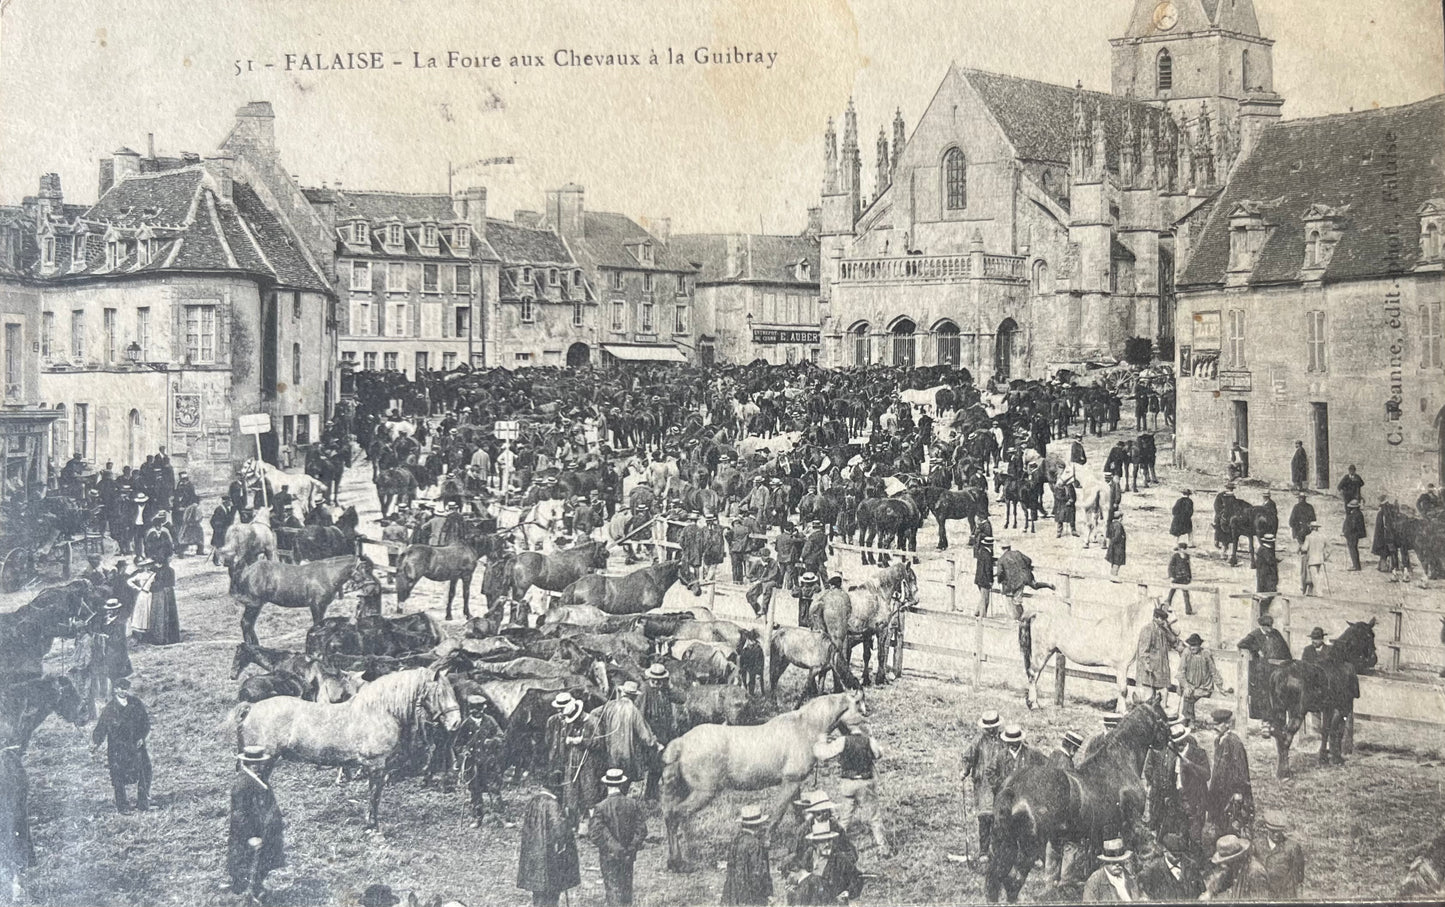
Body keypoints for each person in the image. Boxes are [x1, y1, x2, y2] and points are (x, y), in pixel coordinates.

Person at [817, 718, 891, 856]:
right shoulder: (868, 740)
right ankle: (883, 848)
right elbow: (878, 754)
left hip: (848, 784)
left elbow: (824, 755)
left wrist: (822, 740)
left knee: (844, 819)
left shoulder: (842, 741)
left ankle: (835, 848)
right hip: (865, 782)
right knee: (874, 817)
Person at [227, 746, 285, 900]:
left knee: (259, 863)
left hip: (260, 831)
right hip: (247, 835)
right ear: (245, 764)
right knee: (245, 863)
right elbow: (239, 814)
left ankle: (256, 889)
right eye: (254, 765)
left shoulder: (258, 780)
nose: (259, 768)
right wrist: (250, 836)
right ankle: (243, 894)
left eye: (260, 764)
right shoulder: (242, 784)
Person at [517, 772, 581, 907]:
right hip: (550, 859)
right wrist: (569, 821)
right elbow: (560, 830)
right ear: (556, 788)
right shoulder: (552, 804)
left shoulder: (533, 802)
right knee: (551, 895)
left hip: (533, 857)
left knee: (538, 895)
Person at [91, 679, 151, 812]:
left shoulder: (136, 703)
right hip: (117, 748)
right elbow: (101, 728)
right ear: (115, 689)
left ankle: (143, 803)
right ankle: (122, 806)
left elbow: (145, 722)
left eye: (126, 688)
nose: (123, 691)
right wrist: (96, 742)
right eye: (120, 688)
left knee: (145, 771)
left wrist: (142, 736)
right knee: (118, 776)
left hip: (136, 744)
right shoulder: (109, 708)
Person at [590, 769, 647, 907]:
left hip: (609, 856)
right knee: (626, 889)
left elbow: (595, 834)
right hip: (628, 856)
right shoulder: (632, 804)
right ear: (621, 784)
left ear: (606, 785)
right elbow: (642, 830)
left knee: (612, 889)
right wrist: (631, 848)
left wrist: (615, 848)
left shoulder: (600, 807)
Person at [594, 681, 658, 794]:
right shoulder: (634, 711)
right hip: (627, 754)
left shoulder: (610, 705)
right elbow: (646, 737)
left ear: (623, 692)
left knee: (611, 779)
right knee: (623, 783)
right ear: (634, 696)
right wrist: (655, 743)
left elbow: (594, 714)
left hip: (610, 753)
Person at [960, 710, 1007, 862]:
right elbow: (968, 757)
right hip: (983, 785)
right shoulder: (979, 741)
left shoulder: (1003, 740)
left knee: (999, 817)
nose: (991, 729)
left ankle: (998, 849)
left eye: (993, 726)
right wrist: (965, 771)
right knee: (985, 817)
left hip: (1000, 784)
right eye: (989, 727)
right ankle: (984, 851)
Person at [787, 820, 864, 905]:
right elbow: (800, 877)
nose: (827, 844)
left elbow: (857, 878)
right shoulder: (808, 857)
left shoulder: (840, 859)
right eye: (823, 841)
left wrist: (848, 892)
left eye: (829, 840)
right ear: (815, 844)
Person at [1238, 614, 1290, 726]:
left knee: (1279, 694)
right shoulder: (1254, 635)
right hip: (1261, 671)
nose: (1270, 628)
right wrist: (1256, 650)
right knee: (1264, 695)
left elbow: (1285, 648)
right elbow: (1241, 644)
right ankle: (1265, 721)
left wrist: (1288, 662)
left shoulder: (1275, 633)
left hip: (1276, 668)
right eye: (1267, 626)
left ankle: (1279, 722)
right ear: (1262, 626)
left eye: (1271, 626)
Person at [1206, 709, 1253, 832]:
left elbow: (1241, 769)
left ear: (1227, 724)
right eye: (1214, 725)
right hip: (1219, 789)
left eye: (1218, 725)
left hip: (1231, 790)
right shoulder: (1219, 740)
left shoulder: (1234, 742)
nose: (1215, 728)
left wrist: (1239, 792)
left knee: (1232, 822)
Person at [1172, 723, 1212, 852]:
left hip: (1196, 801)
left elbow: (1206, 775)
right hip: (1179, 800)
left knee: (1195, 838)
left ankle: (1197, 864)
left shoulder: (1199, 753)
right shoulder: (1173, 755)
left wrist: (1191, 765)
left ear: (1185, 740)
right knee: (1181, 836)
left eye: (1179, 743)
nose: (1177, 746)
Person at [722, 805, 774, 906]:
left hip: (733, 891)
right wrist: (766, 894)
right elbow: (757, 872)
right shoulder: (754, 843)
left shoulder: (736, 839)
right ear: (757, 825)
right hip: (750, 894)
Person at [1178, 634, 1230, 727]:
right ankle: (1188, 719)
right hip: (1190, 686)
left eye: (1195, 645)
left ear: (1199, 645)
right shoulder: (1186, 653)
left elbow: (1213, 671)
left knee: (1189, 696)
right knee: (1188, 693)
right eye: (1191, 645)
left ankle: (1189, 719)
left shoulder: (1205, 654)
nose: (1193, 647)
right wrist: (1186, 686)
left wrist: (1220, 686)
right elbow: (1181, 672)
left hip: (1204, 687)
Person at [1135, 606, 1182, 704]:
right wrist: (1147, 665)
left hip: (1161, 669)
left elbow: (1173, 640)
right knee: (1149, 697)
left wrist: (1166, 628)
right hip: (1150, 671)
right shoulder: (1147, 629)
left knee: (1162, 695)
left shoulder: (1162, 630)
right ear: (1155, 618)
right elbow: (1143, 651)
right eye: (1161, 619)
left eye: (1164, 619)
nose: (1163, 621)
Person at [997, 541, 1054, 619]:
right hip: (1025, 577)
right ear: (1009, 548)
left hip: (1012, 582)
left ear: (1002, 549)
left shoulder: (1001, 559)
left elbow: (1000, 573)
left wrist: (999, 580)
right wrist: (1024, 568)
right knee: (1034, 586)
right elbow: (1029, 560)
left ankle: (1020, 617)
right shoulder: (1017, 553)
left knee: (1015, 601)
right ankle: (1047, 584)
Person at [1201, 834, 1270, 899]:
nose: (1223, 865)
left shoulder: (1255, 873)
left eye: (1225, 862)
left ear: (1235, 860)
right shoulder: (1236, 869)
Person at [1256, 811, 1305, 899]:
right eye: (1273, 831)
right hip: (1262, 896)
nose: (1276, 834)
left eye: (1279, 831)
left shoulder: (1292, 847)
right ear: (1267, 829)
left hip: (1284, 896)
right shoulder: (1257, 845)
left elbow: (1298, 876)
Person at [745, 544, 782, 619]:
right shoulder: (757, 563)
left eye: (767, 556)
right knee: (750, 594)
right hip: (760, 582)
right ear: (760, 556)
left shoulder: (773, 562)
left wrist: (762, 580)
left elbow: (773, 575)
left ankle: (763, 609)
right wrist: (755, 579)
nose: (766, 558)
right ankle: (757, 610)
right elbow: (749, 575)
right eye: (764, 556)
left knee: (767, 588)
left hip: (772, 581)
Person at [1165, 543, 1193, 614]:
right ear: (1180, 549)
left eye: (1185, 549)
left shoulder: (1187, 556)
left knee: (1186, 593)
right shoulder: (1175, 556)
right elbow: (1171, 566)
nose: (1185, 550)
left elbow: (1188, 567)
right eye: (1184, 549)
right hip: (1176, 577)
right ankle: (1167, 607)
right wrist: (1171, 576)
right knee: (1172, 592)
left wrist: (1189, 576)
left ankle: (1188, 610)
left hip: (1184, 578)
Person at [1300, 521, 1327, 595]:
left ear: (1310, 528)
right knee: (1317, 575)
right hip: (1320, 559)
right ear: (1317, 528)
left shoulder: (1308, 537)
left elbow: (1305, 548)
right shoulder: (1323, 536)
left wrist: (1301, 547)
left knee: (1314, 576)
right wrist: (1325, 556)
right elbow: (1329, 548)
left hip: (1312, 559)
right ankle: (1310, 592)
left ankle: (1319, 592)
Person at [1254, 533, 1279, 613]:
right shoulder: (1266, 551)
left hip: (1263, 577)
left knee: (1265, 597)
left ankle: (1264, 613)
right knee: (1267, 596)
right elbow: (1270, 563)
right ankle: (1264, 614)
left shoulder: (1262, 549)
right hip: (1267, 578)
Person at [974, 536, 996, 617]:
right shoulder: (988, 555)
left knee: (983, 597)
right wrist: (990, 580)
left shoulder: (981, 552)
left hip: (979, 578)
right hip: (985, 580)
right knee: (985, 599)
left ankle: (977, 612)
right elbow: (988, 569)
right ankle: (982, 616)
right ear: (991, 545)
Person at [1342, 499, 1367, 571]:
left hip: (1352, 535)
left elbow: (1352, 526)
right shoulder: (1359, 513)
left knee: (1353, 549)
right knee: (1354, 549)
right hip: (1355, 535)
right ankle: (1356, 565)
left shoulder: (1354, 514)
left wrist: (1346, 532)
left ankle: (1355, 566)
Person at [1105, 513, 1127, 580]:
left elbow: (1108, 535)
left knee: (1114, 560)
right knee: (1117, 561)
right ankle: (1114, 576)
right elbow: (1117, 535)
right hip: (1118, 546)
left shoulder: (1111, 524)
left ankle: (1112, 574)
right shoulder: (1118, 525)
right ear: (1120, 518)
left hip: (1112, 545)